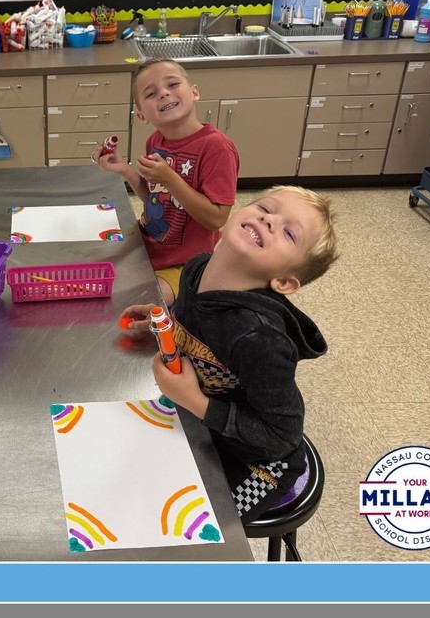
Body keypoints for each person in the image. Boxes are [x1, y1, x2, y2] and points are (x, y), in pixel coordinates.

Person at [121, 185, 338, 522]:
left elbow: (282, 435)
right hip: (201, 425)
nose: (268, 220)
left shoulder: (259, 337)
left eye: (288, 232)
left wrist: (193, 400)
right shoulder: (197, 269)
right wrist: (163, 324)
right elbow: (196, 326)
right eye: (266, 207)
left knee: (183, 527)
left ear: (283, 282)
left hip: (259, 462)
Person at [94, 59, 239, 306]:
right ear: (142, 115)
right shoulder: (155, 141)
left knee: (139, 304)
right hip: (148, 247)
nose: (163, 93)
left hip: (185, 263)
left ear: (194, 92)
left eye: (172, 84)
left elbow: (216, 218)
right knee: (94, 276)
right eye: (151, 93)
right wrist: (126, 171)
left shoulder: (217, 148)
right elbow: (156, 199)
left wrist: (170, 179)